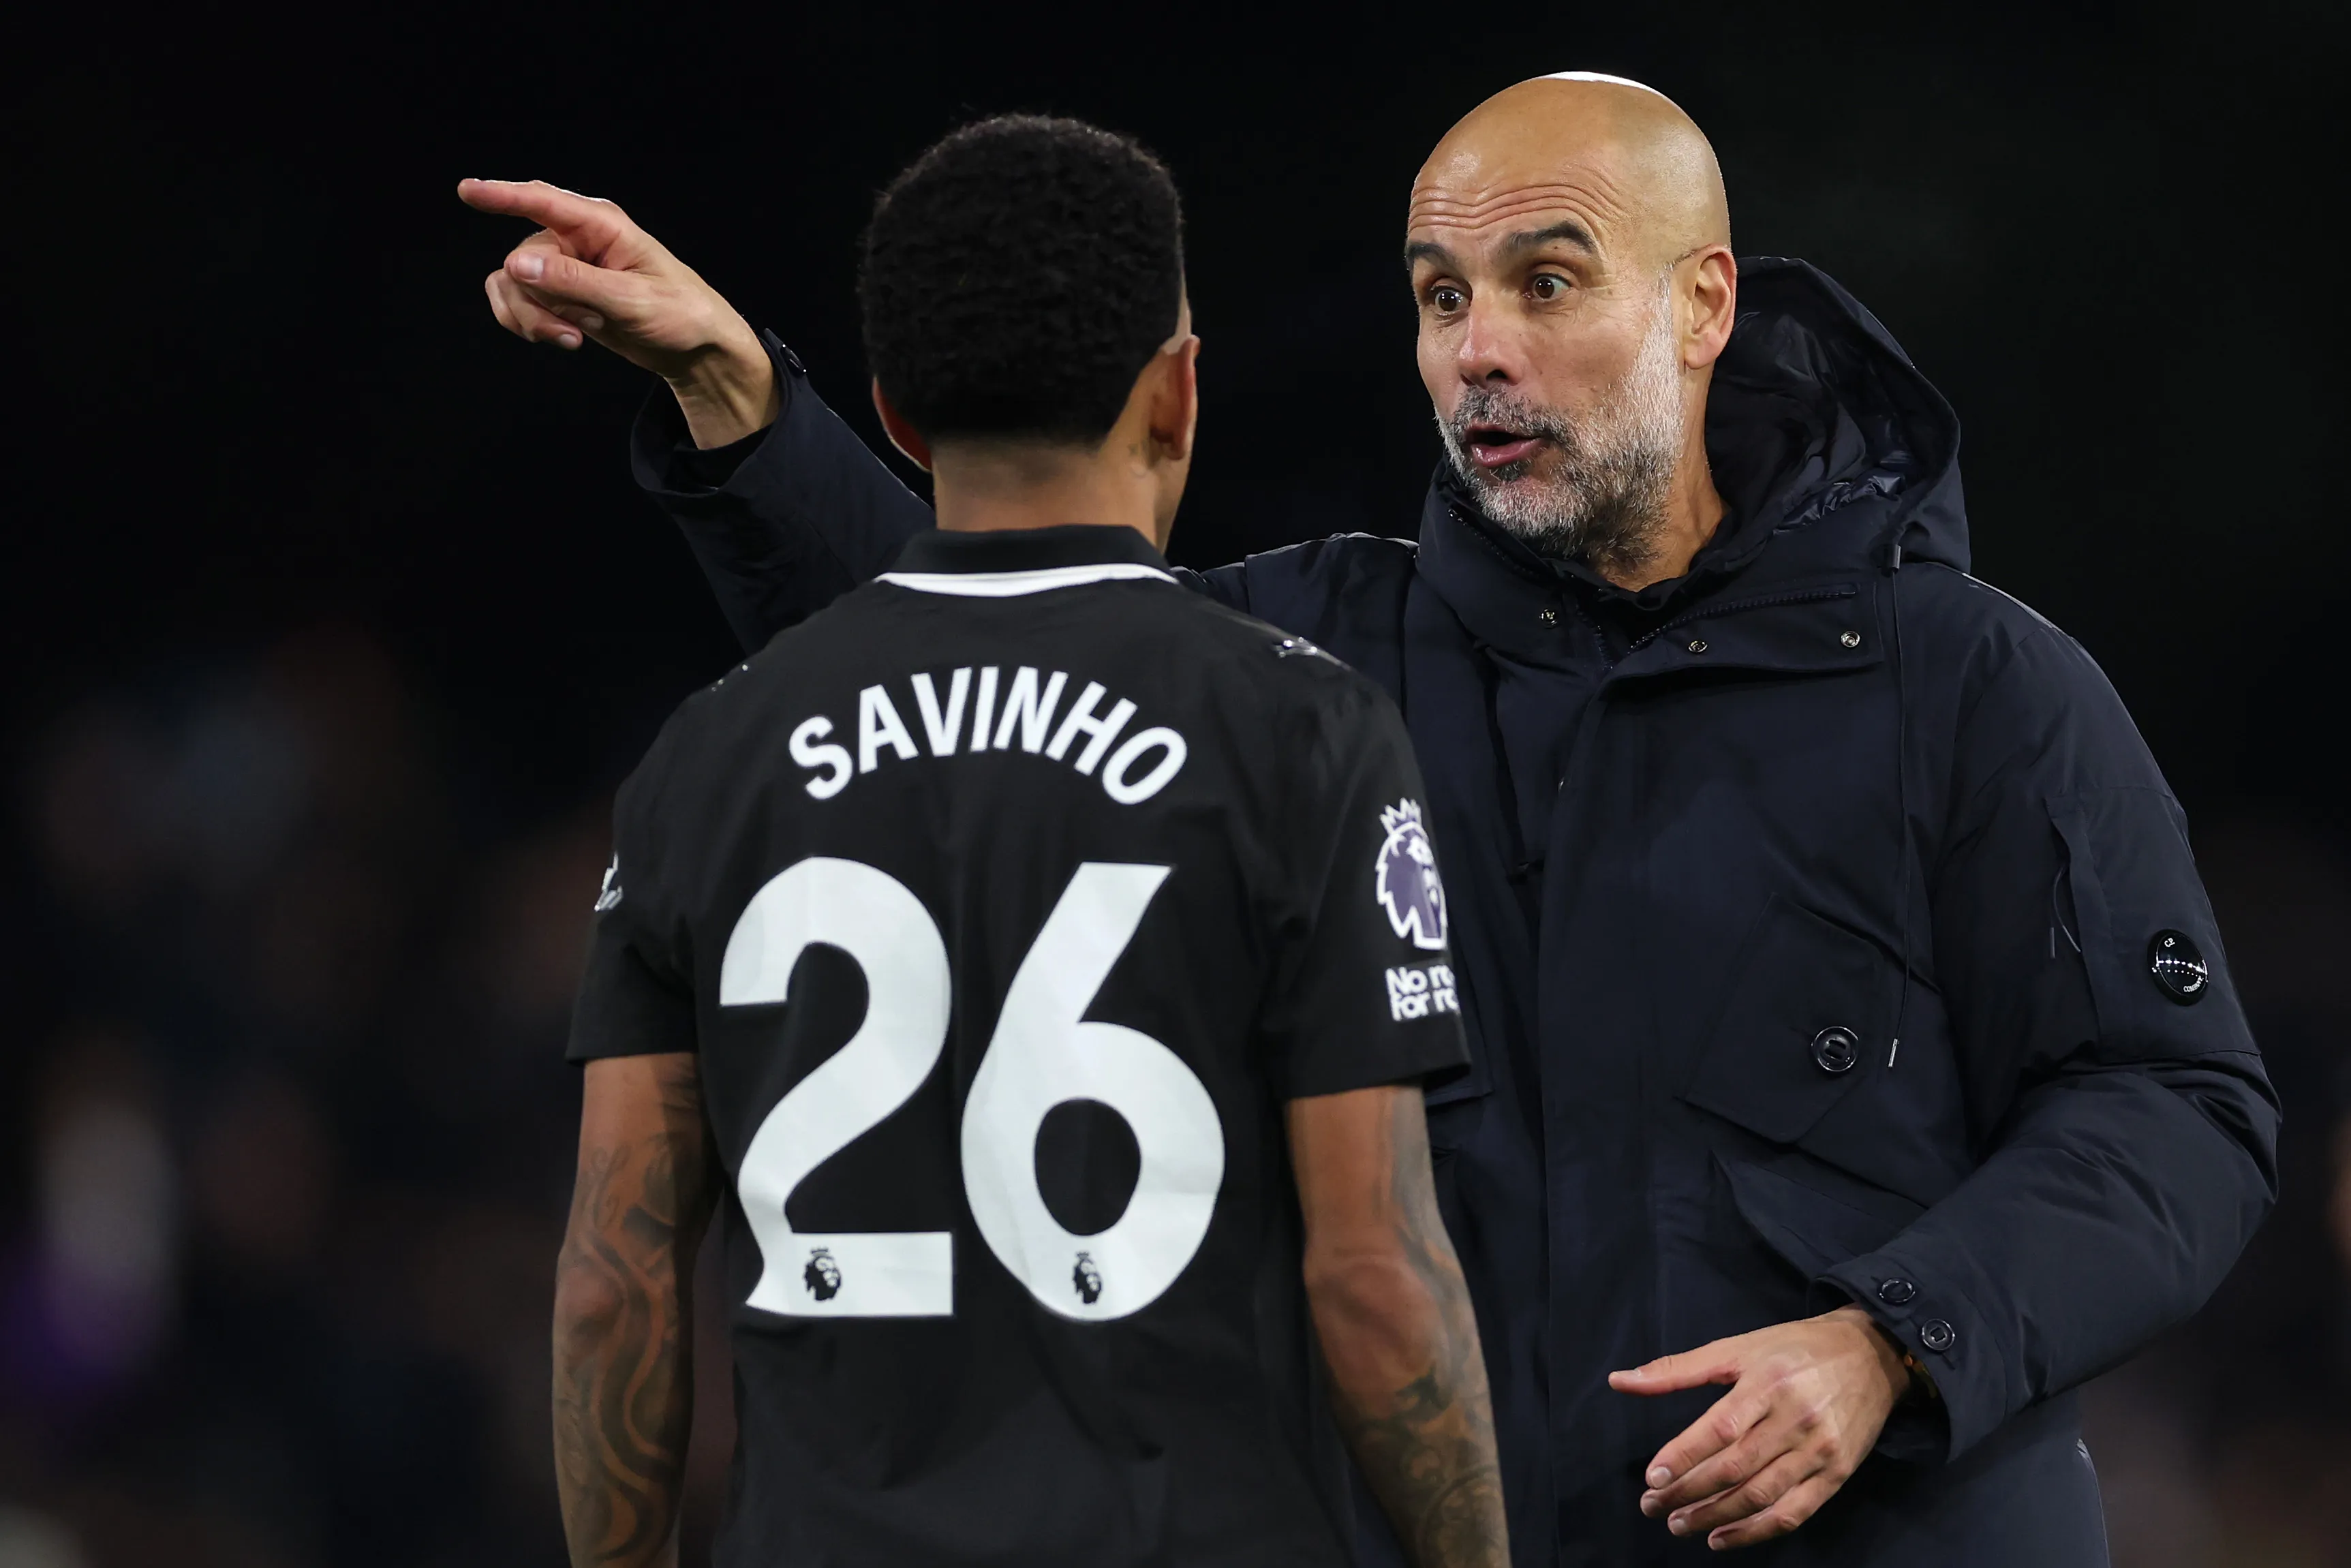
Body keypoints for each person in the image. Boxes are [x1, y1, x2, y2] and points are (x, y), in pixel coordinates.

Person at [467, 74, 2279, 1566]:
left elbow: (2173, 1101)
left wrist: (1898, 1334)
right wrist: (737, 398)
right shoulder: (1312, 662)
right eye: (1437, 296)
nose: (1478, 347)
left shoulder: (1973, 687)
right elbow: (971, 667)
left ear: (1704, 304)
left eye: (1547, 283)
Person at [534, 118, 1507, 1568]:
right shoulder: (1303, 730)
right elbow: (1377, 1276)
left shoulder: (709, 754)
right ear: (1176, 393)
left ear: (898, 417)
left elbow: (617, 1278)